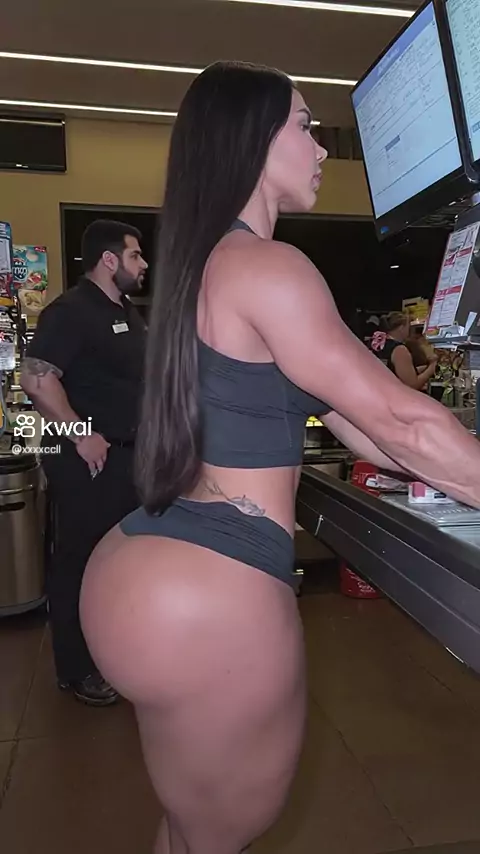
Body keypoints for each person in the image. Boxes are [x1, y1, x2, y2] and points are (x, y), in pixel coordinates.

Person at [79, 62, 480, 853]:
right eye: (304, 125)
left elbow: (368, 427)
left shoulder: (204, 266)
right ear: (252, 140)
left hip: (141, 564)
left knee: (191, 832)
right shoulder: (266, 267)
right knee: (222, 836)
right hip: (214, 586)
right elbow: (405, 422)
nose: (323, 147)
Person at [20, 220, 147, 706]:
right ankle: (77, 669)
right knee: (80, 562)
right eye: (135, 255)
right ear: (109, 260)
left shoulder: (127, 313)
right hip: (87, 460)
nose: (143, 264)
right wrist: (81, 433)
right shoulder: (71, 311)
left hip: (127, 458)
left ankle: (115, 654)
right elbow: (36, 379)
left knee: (118, 564)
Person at [370, 311, 438, 390]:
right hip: (394, 394)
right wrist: (432, 368)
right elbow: (412, 385)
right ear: (401, 328)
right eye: (408, 327)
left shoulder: (379, 343)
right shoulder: (399, 349)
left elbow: (394, 371)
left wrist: (425, 367)